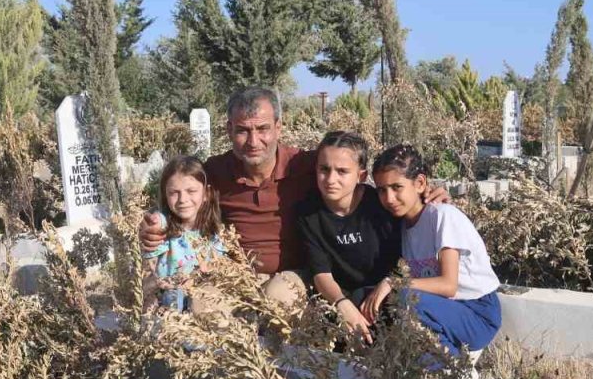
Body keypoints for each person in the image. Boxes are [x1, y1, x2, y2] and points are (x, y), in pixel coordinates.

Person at [140, 86, 451, 309]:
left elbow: (353, 173)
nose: (253, 141)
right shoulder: (215, 172)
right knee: (204, 305)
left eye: (262, 128)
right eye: (242, 131)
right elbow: (182, 193)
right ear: (228, 129)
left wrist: (425, 195)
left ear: (278, 127)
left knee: (278, 299)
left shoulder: (307, 166)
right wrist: (155, 223)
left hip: (297, 274)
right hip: (236, 273)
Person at [364, 144, 502, 356]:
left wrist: (392, 282)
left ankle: (450, 365)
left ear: (420, 183)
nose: (389, 198)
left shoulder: (442, 216)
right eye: (382, 190)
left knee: (404, 297)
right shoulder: (400, 226)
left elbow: (448, 285)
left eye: (397, 187)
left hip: (476, 314)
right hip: (441, 310)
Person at [296, 131, 400, 343]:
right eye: (324, 169)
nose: (330, 179)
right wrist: (342, 304)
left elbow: (408, 255)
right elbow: (321, 274)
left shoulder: (380, 204)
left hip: (384, 293)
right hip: (341, 297)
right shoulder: (308, 213)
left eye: (342, 171)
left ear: (360, 176)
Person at [144, 156, 226, 312]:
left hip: (201, 296)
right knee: (173, 298)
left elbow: (218, 265)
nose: (183, 199)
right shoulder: (163, 227)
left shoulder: (214, 231)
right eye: (174, 193)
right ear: (165, 195)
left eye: (191, 191)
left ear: (206, 193)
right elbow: (149, 269)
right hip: (170, 298)